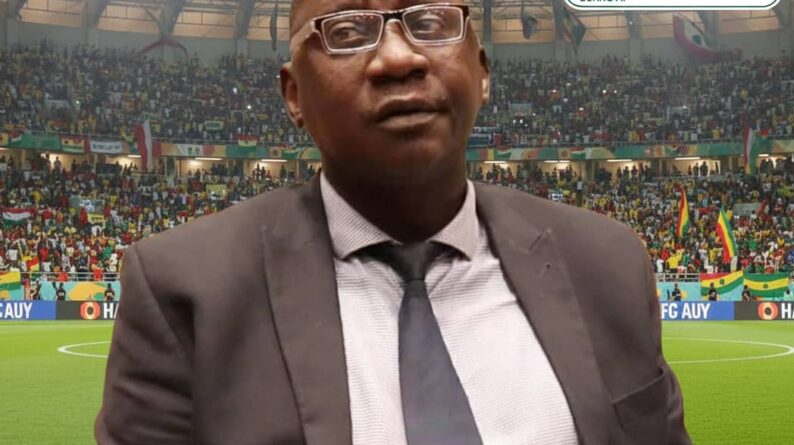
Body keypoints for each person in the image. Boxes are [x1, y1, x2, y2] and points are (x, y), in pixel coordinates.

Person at [96, 1, 690, 444]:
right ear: (294, 94)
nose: (400, 58)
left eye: (430, 22)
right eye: (347, 32)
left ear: (483, 72)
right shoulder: (185, 288)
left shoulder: (606, 263)